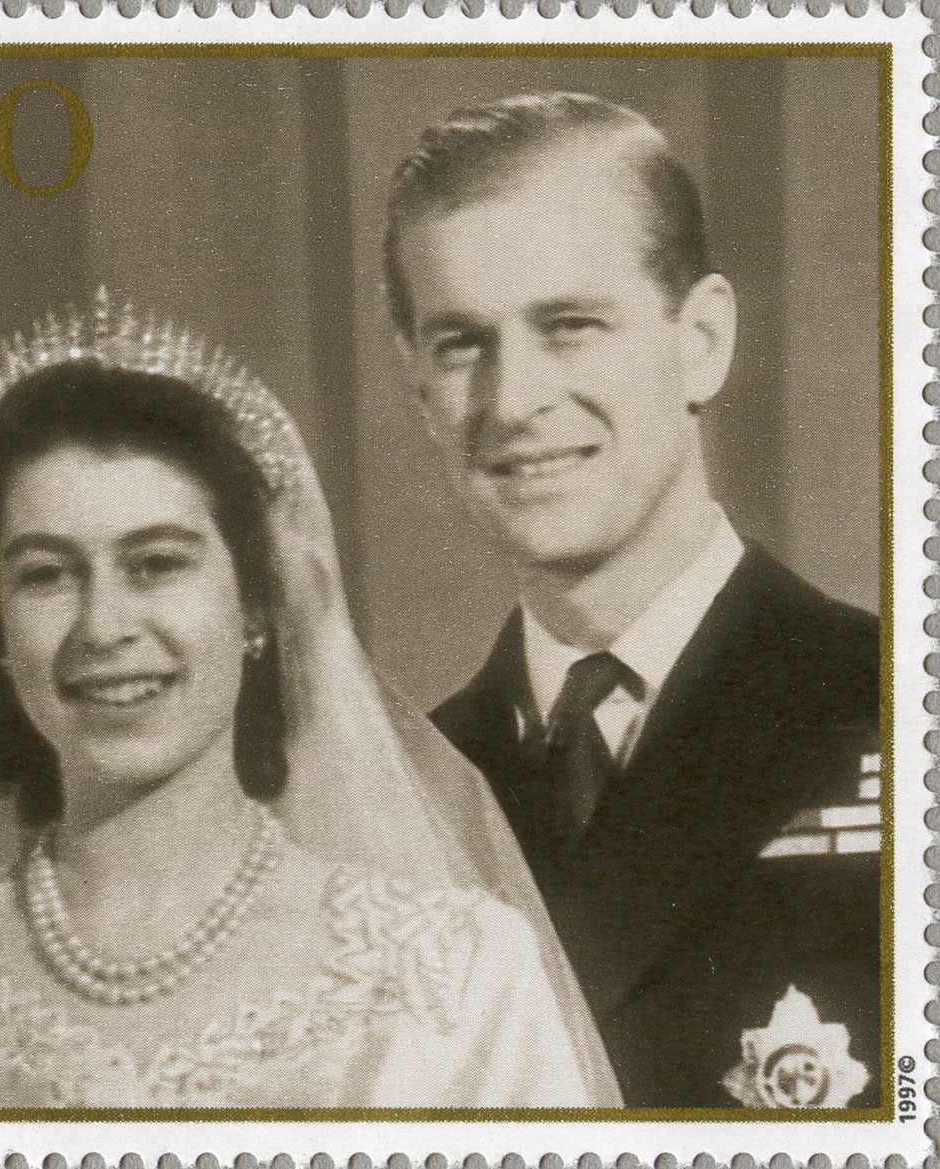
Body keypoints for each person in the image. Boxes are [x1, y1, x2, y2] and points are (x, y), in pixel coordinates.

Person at [0, 291, 621, 1110]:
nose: (102, 625)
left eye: (157, 563)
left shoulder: (455, 975)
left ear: (254, 606)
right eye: (45, 574)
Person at [384, 92, 880, 1108]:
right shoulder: (403, 791)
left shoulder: (887, 706)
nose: (514, 399)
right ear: (418, 391)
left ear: (700, 339)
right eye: (461, 343)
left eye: (571, 325)